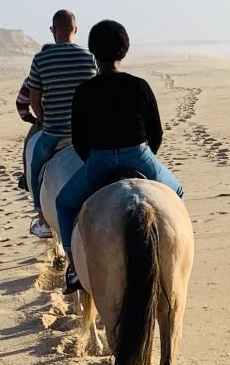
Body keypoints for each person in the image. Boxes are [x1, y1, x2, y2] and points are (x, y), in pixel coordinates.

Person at [56, 19, 184, 292]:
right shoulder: (140, 85)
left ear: (93, 52)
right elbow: (156, 133)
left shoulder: (84, 91)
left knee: (64, 204)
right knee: (178, 193)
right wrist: (144, 161)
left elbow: (79, 141)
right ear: (124, 51)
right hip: (139, 156)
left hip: (99, 161)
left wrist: (95, 162)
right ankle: (178, 256)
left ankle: (75, 268)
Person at [20, 10, 96, 237]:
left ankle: (42, 220)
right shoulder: (89, 56)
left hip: (55, 133)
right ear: (76, 29)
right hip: (86, 134)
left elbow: (33, 99)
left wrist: (45, 121)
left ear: (53, 31)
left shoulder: (41, 59)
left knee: (34, 167)